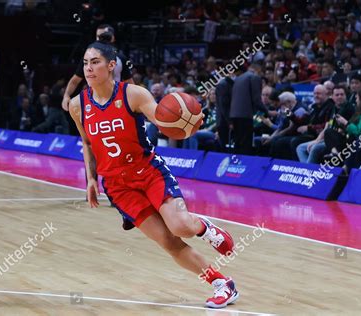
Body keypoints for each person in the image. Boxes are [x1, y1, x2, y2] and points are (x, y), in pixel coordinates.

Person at [68, 41, 238, 309]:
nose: (89, 68)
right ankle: (221, 283)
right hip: (117, 185)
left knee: (180, 226)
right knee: (168, 241)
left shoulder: (133, 94)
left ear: (111, 65)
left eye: (95, 62)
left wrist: (188, 121)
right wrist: (90, 179)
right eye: (86, 63)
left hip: (147, 171)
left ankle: (204, 227)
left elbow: (164, 120)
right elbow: (87, 143)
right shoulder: (78, 105)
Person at [61, 24, 134, 111]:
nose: (101, 40)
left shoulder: (120, 58)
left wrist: (135, 101)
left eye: (105, 36)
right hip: (94, 102)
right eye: (99, 37)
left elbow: (130, 83)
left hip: (117, 101)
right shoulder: (88, 58)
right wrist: (66, 95)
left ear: (112, 37)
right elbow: (75, 80)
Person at [229, 62, 267, 155]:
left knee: (237, 143)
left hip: (234, 114)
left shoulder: (238, 79)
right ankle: (244, 166)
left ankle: (235, 166)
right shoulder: (254, 77)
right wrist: (268, 111)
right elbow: (256, 100)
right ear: (258, 70)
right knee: (246, 144)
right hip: (245, 115)